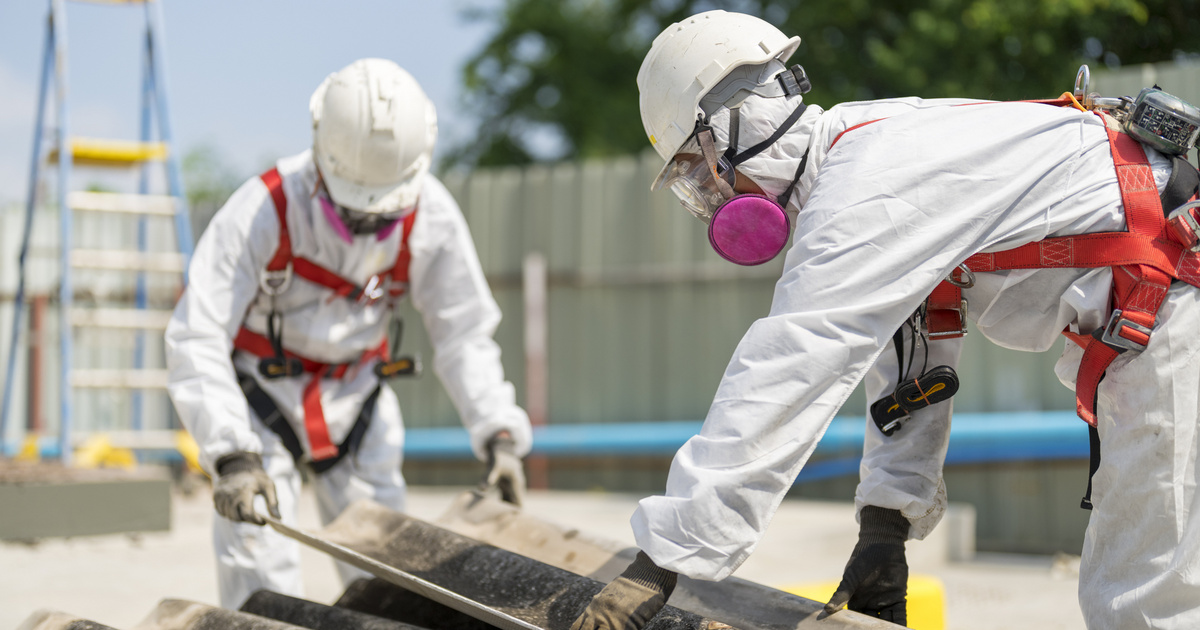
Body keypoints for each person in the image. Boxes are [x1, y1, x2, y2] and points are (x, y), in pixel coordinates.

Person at [571, 10, 1200, 630]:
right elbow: (916, 352)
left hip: (1177, 302)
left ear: (734, 126)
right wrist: (885, 529)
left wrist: (660, 566)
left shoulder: (864, 186)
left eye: (697, 172)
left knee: (1141, 605)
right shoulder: (862, 153)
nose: (711, 199)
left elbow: (790, 367)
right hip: (1160, 309)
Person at [165, 58, 532, 609]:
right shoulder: (264, 209)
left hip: (358, 403)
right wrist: (231, 454)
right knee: (261, 570)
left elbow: (464, 333)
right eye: (353, 211)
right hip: (259, 404)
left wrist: (499, 434)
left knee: (387, 574)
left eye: (383, 214)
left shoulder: (430, 216)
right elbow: (198, 333)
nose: (367, 226)